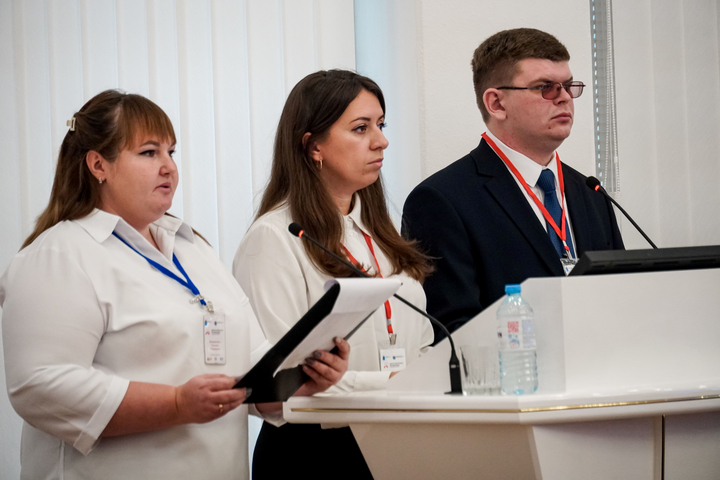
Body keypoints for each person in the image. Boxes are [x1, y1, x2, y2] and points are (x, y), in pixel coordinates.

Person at [0, 90, 350, 480]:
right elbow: (40, 386)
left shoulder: (192, 247)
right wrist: (176, 404)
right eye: (149, 153)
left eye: (171, 152)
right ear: (98, 164)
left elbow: (250, 367)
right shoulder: (60, 254)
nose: (168, 167)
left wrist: (303, 380)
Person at [233, 69, 434, 479]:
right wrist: (394, 384)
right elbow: (275, 381)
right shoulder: (273, 238)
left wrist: (427, 377)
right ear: (313, 146)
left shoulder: (380, 234)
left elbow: (421, 342)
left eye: (380, 125)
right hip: (314, 452)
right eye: (361, 128)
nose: (381, 141)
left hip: (396, 438)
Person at [403, 28, 624, 342]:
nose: (563, 97)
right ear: (497, 103)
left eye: (568, 86)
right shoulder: (441, 200)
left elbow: (619, 299)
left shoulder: (591, 193)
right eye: (545, 87)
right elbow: (453, 331)